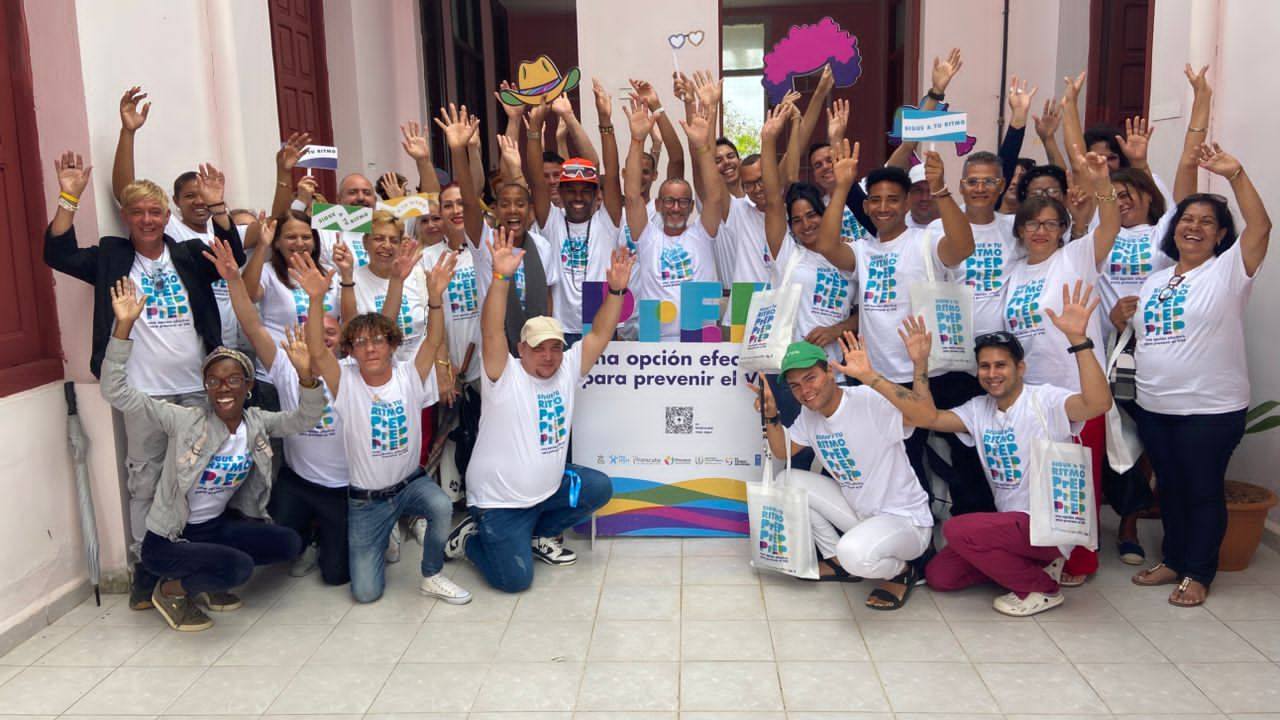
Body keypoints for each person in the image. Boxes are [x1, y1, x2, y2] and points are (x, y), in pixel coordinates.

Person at [44, 152, 245, 611]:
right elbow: (57, 253)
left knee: (196, 480)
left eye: (156, 212)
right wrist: (69, 195)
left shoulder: (190, 254)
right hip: (142, 394)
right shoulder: (112, 256)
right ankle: (147, 570)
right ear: (127, 217)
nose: (148, 219)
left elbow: (232, 256)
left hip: (197, 389)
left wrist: (218, 208)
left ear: (168, 216)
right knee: (146, 481)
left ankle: (194, 566)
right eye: (139, 212)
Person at [101, 277, 324, 631]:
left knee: (288, 542)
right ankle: (170, 590)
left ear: (249, 386)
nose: (224, 389)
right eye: (215, 381)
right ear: (205, 387)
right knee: (238, 568)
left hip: (214, 529)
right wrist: (124, 326)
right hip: (170, 538)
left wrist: (306, 377)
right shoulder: (185, 419)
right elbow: (116, 390)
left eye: (234, 380)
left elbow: (306, 417)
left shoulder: (256, 423)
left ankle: (205, 576)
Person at [906, 282, 1113, 616]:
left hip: (1049, 523)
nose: (991, 374)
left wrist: (1079, 341)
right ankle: (1033, 567)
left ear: (1020, 368)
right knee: (940, 576)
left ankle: (1041, 588)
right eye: (985, 367)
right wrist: (920, 365)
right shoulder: (977, 408)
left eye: (1000, 365)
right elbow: (925, 416)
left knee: (958, 529)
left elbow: (1098, 402)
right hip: (1014, 527)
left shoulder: (1044, 399)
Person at [1122, 143, 1270, 608]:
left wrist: (1236, 174)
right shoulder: (1156, 281)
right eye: (1188, 219)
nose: (1195, 227)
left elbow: (1262, 228)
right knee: (1168, 488)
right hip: (1156, 406)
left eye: (1207, 222)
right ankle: (1174, 559)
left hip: (1209, 408)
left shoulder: (1228, 272)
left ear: (1221, 235)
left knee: (1202, 491)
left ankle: (1200, 571)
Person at [444, 227, 631, 592]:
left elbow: (600, 335)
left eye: (555, 347)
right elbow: (490, 329)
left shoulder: (566, 370)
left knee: (597, 487)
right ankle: (469, 538)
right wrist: (500, 278)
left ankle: (539, 534)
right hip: (500, 503)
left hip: (546, 492)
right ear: (521, 349)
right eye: (538, 348)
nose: (548, 356)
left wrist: (616, 291)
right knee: (514, 581)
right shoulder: (503, 373)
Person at [293, 247, 473, 605]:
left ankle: (432, 574)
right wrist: (316, 300)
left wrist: (435, 298)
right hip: (367, 502)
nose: (370, 348)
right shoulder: (345, 382)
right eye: (360, 342)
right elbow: (316, 351)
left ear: (392, 344)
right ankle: (387, 531)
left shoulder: (409, 375)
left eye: (378, 340)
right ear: (351, 352)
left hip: (410, 484)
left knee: (440, 507)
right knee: (366, 593)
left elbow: (434, 340)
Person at [802, 146, 976, 510]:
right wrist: (843, 186)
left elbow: (962, 247)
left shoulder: (925, 240)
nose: (884, 207)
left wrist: (941, 188)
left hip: (938, 370)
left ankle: (967, 534)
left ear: (908, 202)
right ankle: (916, 549)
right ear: (865, 207)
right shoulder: (863, 251)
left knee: (964, 466)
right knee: (905, 466)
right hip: (884, 379)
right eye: (876, 200)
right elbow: (827, 244)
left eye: (893, 200)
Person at [1002, 146, 1119, 583]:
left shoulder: (1076, 258)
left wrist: (1102, 182)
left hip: (1075, 387)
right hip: (1034, 395)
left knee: (1078, 478)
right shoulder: (1014, 274)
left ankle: (1082, 559)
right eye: (1032, 223)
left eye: (1051, 224)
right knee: (1045, 479)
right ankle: (1052, 550)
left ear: (1063, 229)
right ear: (1020, 229)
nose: (1041, 231)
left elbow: (1111, 223)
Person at [206, 237, 352, 586]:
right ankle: (305, 538)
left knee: (337, 576)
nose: (326, 338)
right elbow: (252, 325)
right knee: (281, 546)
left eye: (333, 333)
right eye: (321, 332)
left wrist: (336, 286)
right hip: (298, 482)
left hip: (343, 488)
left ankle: (348, 535)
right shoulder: (285, 366)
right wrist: (233, 279)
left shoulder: (354, 373)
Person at [754, 339, 933, 609]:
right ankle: (837, 562)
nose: (805, 390)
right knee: (787, 481)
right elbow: (783, 453)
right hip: (861, 514)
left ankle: (902, 571)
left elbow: (924, 416)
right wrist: (772, 417)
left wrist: (872, 377)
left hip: (905, 522)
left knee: (854, 553)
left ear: (830, 372)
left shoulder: (868, 401)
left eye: (810, 378)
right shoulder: (810, 415)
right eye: (795, 385)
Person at [110, 87, 253, 350]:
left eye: (203, 196)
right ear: (173, 205)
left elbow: (252, 241)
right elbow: (125, 191)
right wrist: (128, 133)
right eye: (190, 196)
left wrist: (218, 205)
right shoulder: (171, 229)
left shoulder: (218, 229)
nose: (199, 201)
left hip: (228, 343)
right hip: (189, 345)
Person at [441, 104, 561, 355]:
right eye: (505, 205)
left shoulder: (542, 246)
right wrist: (458, 151)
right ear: (495, 212)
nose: (513, 210)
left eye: (520, 204)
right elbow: (470, 201)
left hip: (538, 351)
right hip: (499, 350)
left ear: (530, 212)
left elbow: (548, 296)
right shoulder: (484, 241)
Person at [528, 81, 625, 346]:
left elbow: (613, 176)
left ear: (596, 195)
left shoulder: (607, 221)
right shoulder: (552, 221)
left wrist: (605, 122)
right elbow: (536, 180)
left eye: (586, 190)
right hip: (561, 331)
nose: (579, 197)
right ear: (560, 192)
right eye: (571, 190)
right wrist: (535, 129)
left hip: (602, 327)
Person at [622, 98, 727, 340]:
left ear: (691, 207)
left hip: (702, 342)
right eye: (669, 201)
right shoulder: (647, 237)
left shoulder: (702, 234)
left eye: (682, 202)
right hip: (655, 346)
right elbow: (631, 197)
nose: (675, 208)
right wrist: (637, 140)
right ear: (658, 205)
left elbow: (714, 198)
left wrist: (702, 147)